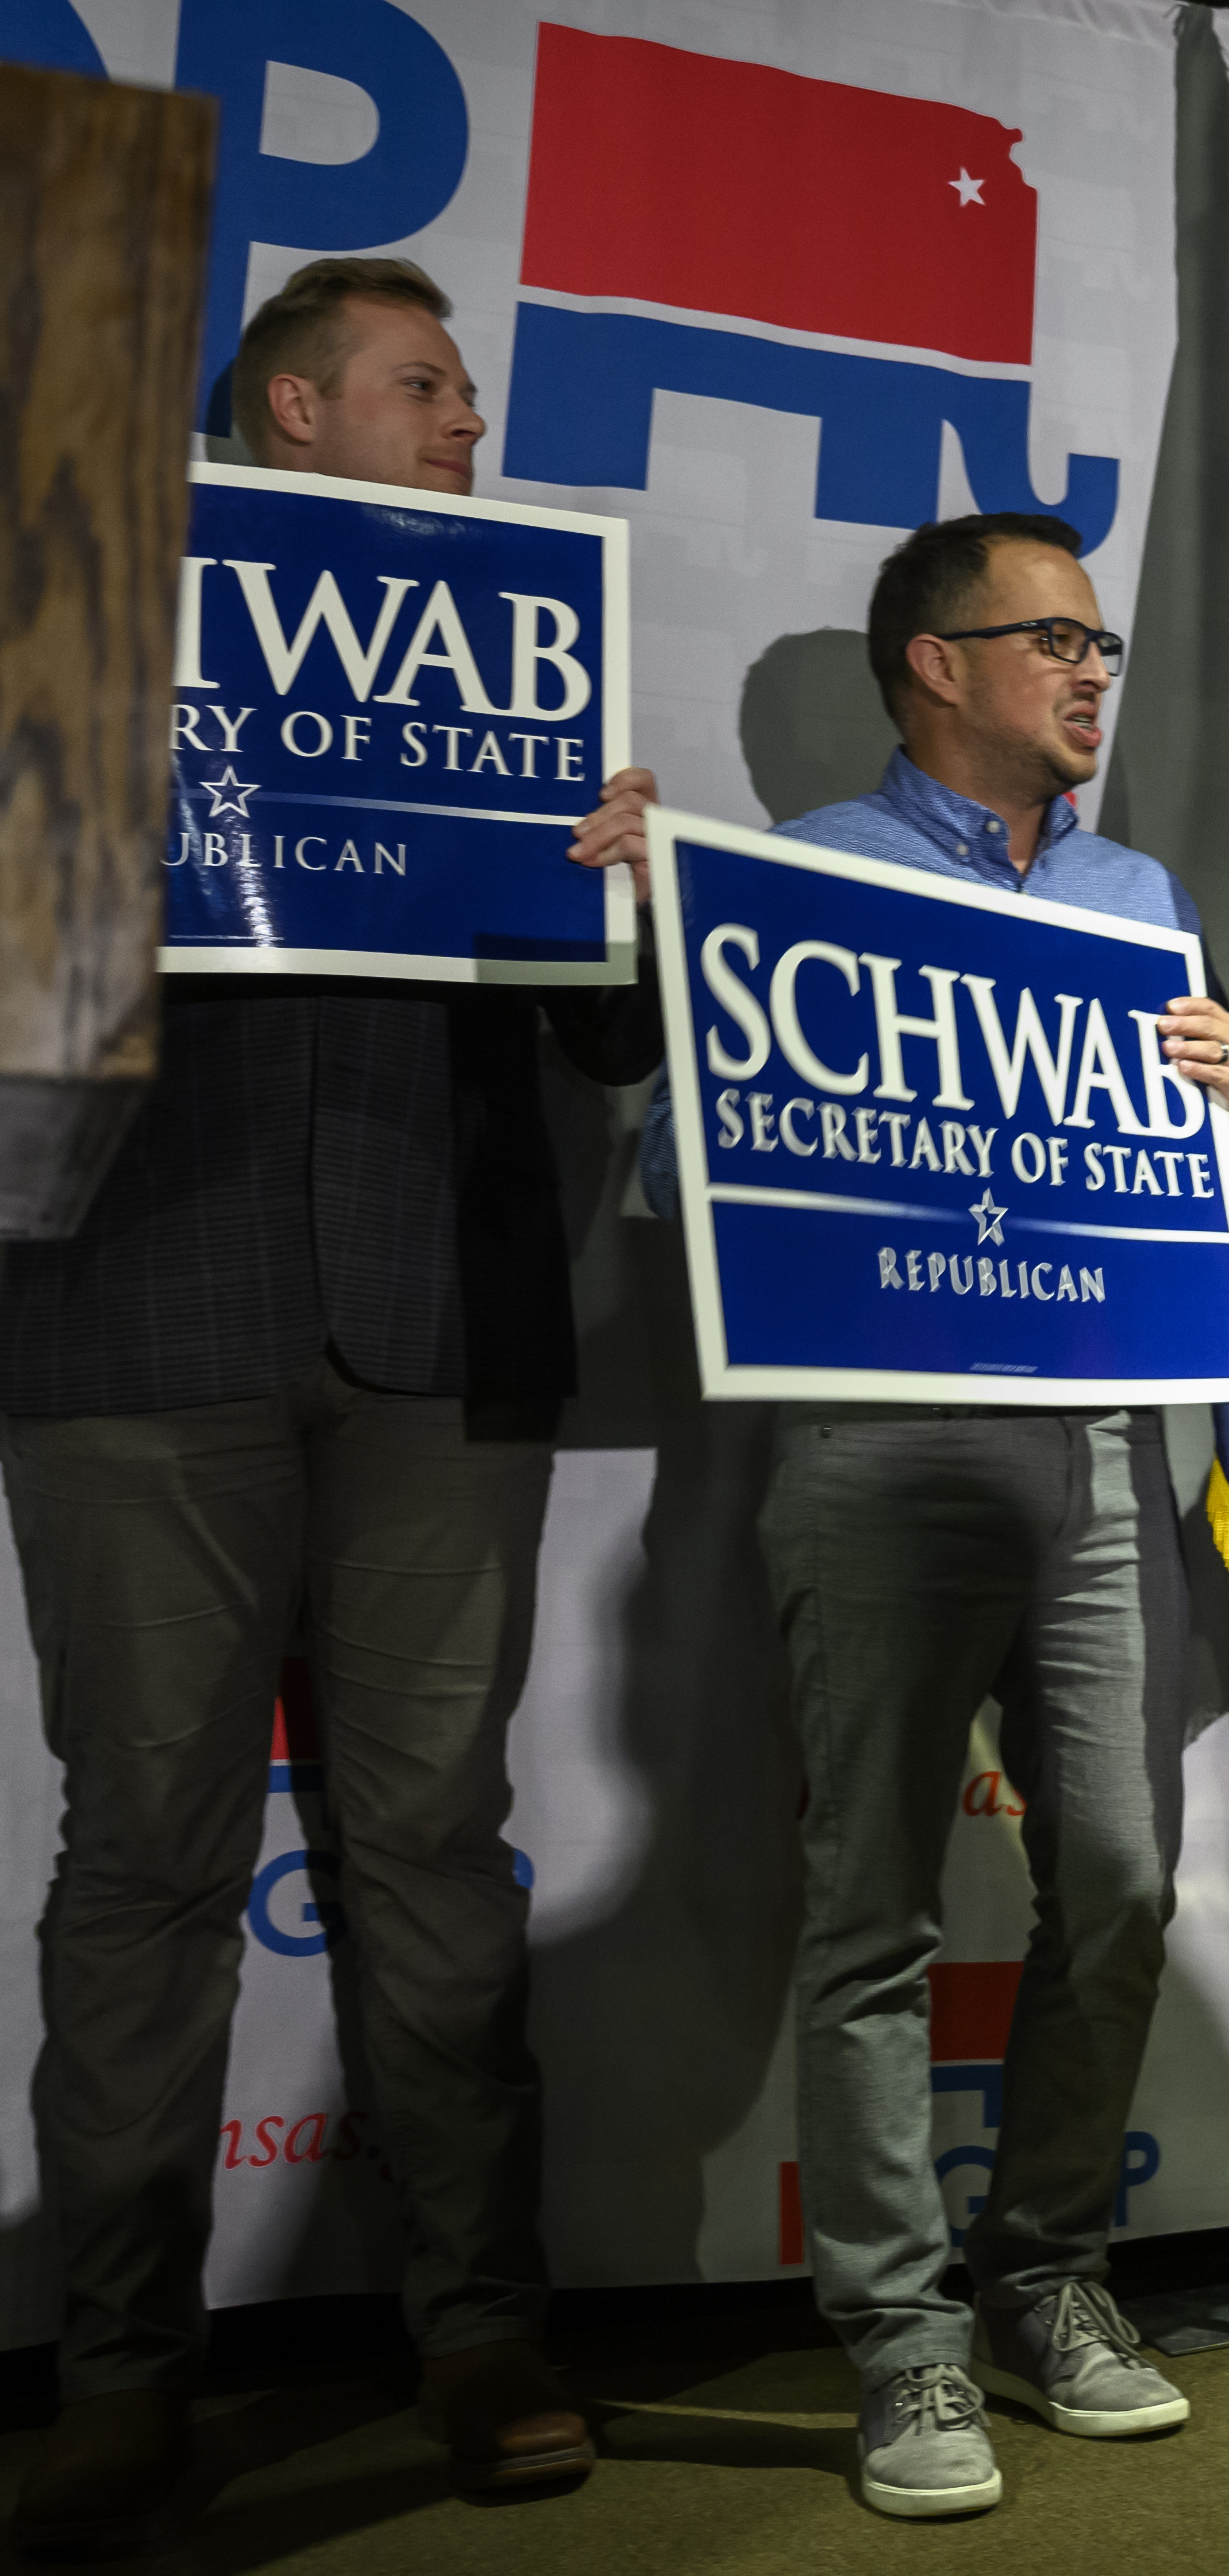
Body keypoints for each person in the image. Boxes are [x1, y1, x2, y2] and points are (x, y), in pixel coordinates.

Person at [0, 256, 658, 2557]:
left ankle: (477, 2322)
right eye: (423, 386)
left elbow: (619, 1049)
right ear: (296, 409)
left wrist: (619, 901)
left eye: (468, 393)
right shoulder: (89, 629)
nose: (466, 419)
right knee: (146, 1864)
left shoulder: (522, 679)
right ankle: (117, 2371)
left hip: (440, 1328)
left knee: (432, 1854)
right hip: (127, 1319)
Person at [624, 510, 1229, 2520]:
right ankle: (901, 2342)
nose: (1092, 671)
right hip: (883, 1448)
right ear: (935, 665)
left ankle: (1046, 2279)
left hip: (1086, 1448)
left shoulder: (1137, 888)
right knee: (872, 1912)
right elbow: (665, 1179)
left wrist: (1222, 1091)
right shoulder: (809, 873)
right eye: (1052, 638)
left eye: (1104, 639)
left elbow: (1177, 1192)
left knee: (1124, 1880)